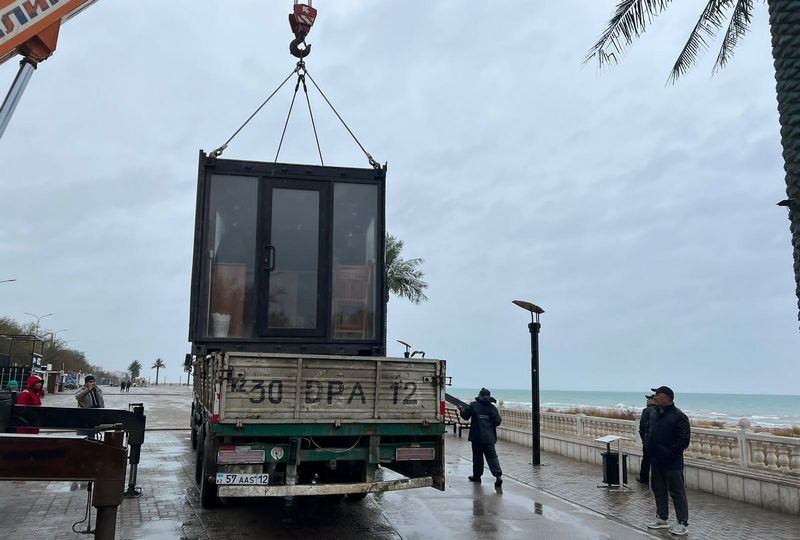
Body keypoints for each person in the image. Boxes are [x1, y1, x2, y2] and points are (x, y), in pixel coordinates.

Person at [645, 385, 691, 536]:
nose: (655, 398)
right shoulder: (654, 413)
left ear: (666, 397)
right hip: (656, 460)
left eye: (657, 395)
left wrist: (670, 453)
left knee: (677, 492)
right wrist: (648, 446)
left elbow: (683, 440)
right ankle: (662, 518)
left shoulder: (679, 416)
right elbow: (648, 431)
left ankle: (682, 522)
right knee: (658, 489)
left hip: (672, 462)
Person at [459, 387, 503, 487]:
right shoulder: (492, 408)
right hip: (489, 438)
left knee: (477, 458)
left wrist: (461, 410)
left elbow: (465, 417)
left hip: (477, 437)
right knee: (492, 457)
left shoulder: (474, 405)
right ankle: (498, 476)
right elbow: (498, 422)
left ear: (479, 395)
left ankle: (477, 476)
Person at [638, 394, 657, 484]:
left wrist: (644, 439)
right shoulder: (660, 410)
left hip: (648, 441)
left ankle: (644, 479)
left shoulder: (646, 410)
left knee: (646, 460)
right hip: (657, 441)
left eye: (648, 399)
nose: (647, 401)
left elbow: (642, 426)